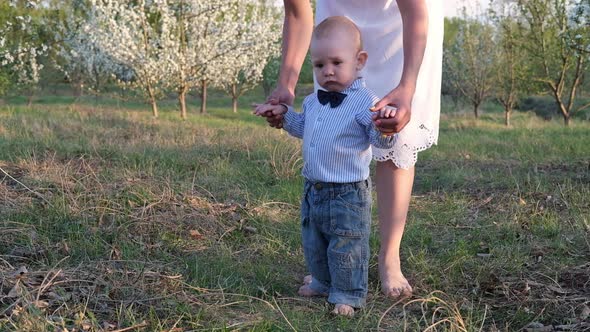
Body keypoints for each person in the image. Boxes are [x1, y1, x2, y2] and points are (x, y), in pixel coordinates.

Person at [263, 0, 443, 298]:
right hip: (338, 21)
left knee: (395, 133)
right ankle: (327, 265)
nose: (325, 70)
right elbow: (297, 12)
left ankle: (389, 257)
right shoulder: (329, 62)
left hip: (402, 24)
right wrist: (287, 85)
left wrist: (407, 87)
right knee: (334, 114)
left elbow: (413, 9)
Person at [254, 16, 396, 316]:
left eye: (336, 62)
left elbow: (377, 140)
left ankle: (347, 292)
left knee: (347, 244)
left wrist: (385, 129)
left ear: (359, 61)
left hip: (347, 193)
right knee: (314, 240)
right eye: (319, 65)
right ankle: (321, 280)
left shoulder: (366, 103)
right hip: (313, 187)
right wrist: (281, 116)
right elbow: (304, 127)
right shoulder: (314, 101)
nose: (327, 71)